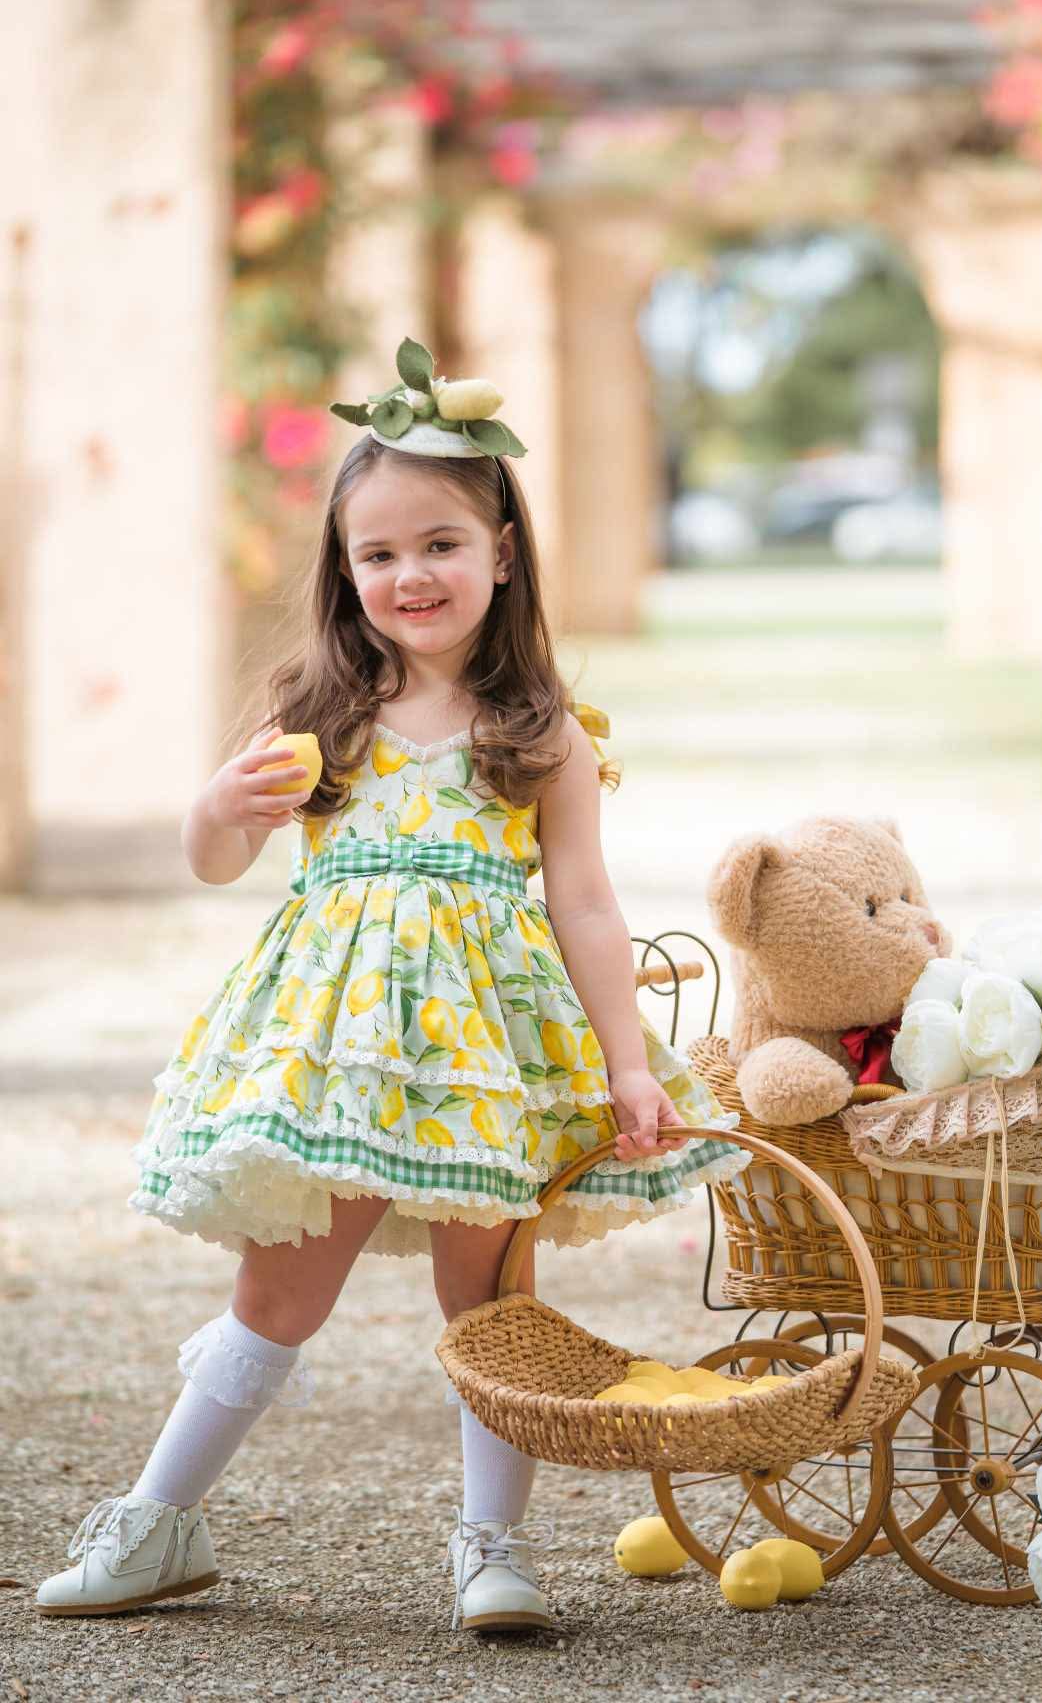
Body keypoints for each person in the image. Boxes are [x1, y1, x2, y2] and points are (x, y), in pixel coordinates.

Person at [34, 342, 749, 1633]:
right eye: (377, 556)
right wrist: (211, 809)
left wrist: (626, 1061)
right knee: (277, 1292)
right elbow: (219, 861)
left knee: (490, 1300)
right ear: (344, 571)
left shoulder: (540, 736)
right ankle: (156, 1526)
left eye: (439, 545)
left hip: (481, 1058)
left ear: (502, 554)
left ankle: (493, 1551)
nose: (409, 576)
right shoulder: (321, 713)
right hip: (338, 1051)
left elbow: (582, 903)